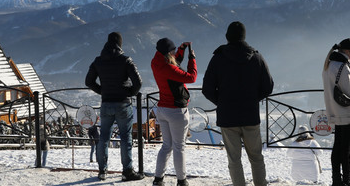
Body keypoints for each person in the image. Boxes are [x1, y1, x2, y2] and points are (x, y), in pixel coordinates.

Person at [202, 21, 274, 186]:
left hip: (227, 118)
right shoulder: (256, 57)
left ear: (227, 37)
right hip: (250, 116)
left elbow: (207, 89)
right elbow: (268, 86)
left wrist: (222, 102)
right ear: (244, 37)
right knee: (256, 157)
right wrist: (253, 99)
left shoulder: (218, 58)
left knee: (234, 159)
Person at [85, 32, 144, 181]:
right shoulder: (126, 60)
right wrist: (129, 92)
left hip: (106, 104)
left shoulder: (98, 61)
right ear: (120, 44)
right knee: (125, 137)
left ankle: (102, 171)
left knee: (103, 137)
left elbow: (88, 81)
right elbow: (138, 82)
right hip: (123, 104)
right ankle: (127, 171)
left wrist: (102, 91)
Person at [151, 38, 198, 186]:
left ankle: (158, 179)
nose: (174, 52)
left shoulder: (156, 62)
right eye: (172, 50)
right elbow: (192, 77)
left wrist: (182, 50)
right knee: (179, 147)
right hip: (176, 111)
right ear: (167, 52)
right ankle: (182, 180)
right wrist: (192, 59)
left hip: (162, 110)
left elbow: (174, 61)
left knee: (167, 146)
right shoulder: (168, 68)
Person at [323, 38, 350, 186]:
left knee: (337, 147)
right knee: (345, 149)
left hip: (334, 109)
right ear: (347, 51)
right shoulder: (343, 66)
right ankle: (348, 180)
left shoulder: (329, 64)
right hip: (346, 112)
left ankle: (336, 179)